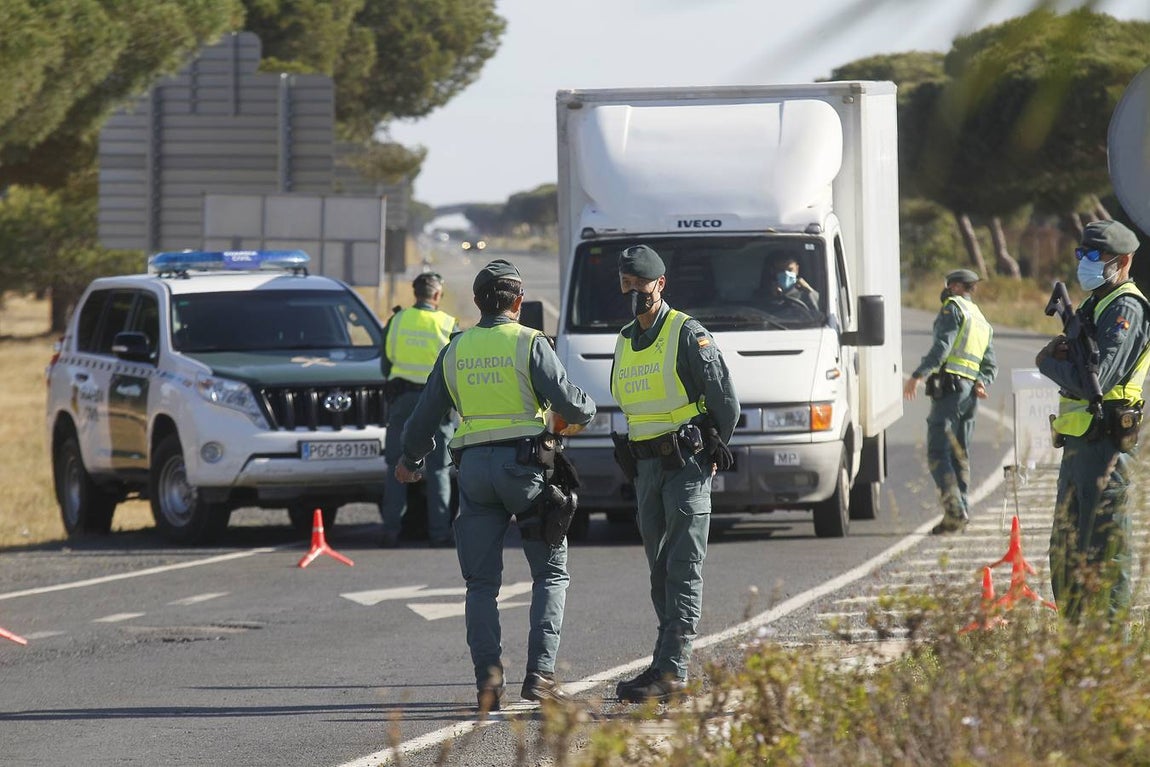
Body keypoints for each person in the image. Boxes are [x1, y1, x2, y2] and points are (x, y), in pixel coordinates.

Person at [394, 259, 596, 711]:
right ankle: (540, 676)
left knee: (481, 585)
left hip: (474, 473)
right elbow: (573, 406)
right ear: (518, 301)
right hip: (525, 471)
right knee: (550, 573)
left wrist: (410, 462)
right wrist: (585, 409)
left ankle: (488, 684)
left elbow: (424, 418)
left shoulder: (456, 348)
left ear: (477, 302)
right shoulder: (529, 342)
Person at [610, 244, 739, 703]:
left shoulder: (687, 333)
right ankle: (665, 663)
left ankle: (673, 671)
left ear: (660, 284)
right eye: (626, 284)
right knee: (660, 572)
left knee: (682, 568)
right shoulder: (625, 339)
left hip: (685, 466)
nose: (633, 292)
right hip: (645, 469)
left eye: (640, 285)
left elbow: (725, 401)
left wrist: (711, 446)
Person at [1037, 220, 1150, 623]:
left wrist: (1047, 362)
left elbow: (1097, 382)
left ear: (1123, 261)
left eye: (1095, 256)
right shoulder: (1095, 304)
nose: (1085, 262)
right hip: (1079, 445)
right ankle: (1076, 641)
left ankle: (1111, 647)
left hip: (1106, 449)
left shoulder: (1126, 307)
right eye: (1081, 253)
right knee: (1066, 552)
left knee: (1105, 554)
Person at [903, 268, 997, 535]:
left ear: (956, 287)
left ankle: (954, 511)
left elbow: (942, 347)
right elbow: (990, 364)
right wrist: (982, 381)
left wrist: (918, 375)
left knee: (938, 451)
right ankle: (963, 508)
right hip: (971, 394)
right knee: (959, 453)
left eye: (947, 285)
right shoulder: (980, 318)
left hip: (951, 391)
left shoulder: (953, 309)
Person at [379, 272, 458, 548]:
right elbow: (455, 367)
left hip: (402, 400)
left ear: (416, 294)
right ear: (437, 295)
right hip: (436, 402)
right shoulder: (448, 323)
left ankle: (391, 531)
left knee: (396, 465)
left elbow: (385, 366)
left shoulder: (397, 320)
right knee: (438, 470)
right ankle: (439, 533)